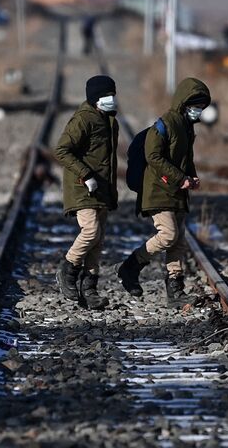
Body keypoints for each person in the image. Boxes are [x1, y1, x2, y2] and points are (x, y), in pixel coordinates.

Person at [117, 77, 211, 307]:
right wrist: (181, 178)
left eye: (201, 107)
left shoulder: (187, 128)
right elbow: (154, 156)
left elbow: (184, 159)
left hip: (177, 191)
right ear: (183, 103)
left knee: (178, 241)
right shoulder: (165, 124)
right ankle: (131, 266)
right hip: (158, 190)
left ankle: (175, 291)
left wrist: (192, 177)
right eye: (195, 106)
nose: (198, 111)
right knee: (168, 235)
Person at [53, 74, 119, 310]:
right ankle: (67, 269)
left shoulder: (109, 120)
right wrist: (86, 175)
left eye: (112, 94)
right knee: (90, 231)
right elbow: (62, 150)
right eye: (105, 96)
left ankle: (89, 289)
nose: (110, 99)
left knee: (98, 240)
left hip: (101, 188)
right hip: (83, 187)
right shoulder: (83, 119)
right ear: (94, 98)